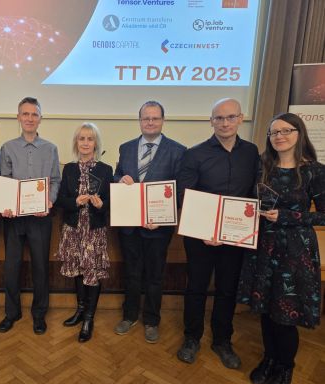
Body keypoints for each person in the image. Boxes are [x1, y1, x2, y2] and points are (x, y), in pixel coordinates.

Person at [237, 113, 324, 384]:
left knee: (286, 312)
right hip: (263, 247)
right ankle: (269, 358)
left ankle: (286, 366)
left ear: (299, 133)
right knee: (265, 308)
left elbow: (323, 215)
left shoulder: (315, 171)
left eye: (286, 131)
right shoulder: (263, 167)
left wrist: (287, 216)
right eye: (274, 132)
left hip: (295, 252)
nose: (279, 136)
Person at [176, 98, 259, 369]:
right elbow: (185, 195)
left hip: (235, 236)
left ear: (240, 118)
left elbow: (253, 194)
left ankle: (222, 340)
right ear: (211, 121)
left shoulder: (252, 153)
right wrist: (205, 230)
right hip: (201, 237)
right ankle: (192, 338)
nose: (225, 123)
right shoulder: (194, 154)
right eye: (219, 118)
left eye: (231, 117)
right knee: (196, 288)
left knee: (227, 289)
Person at [114, 100, 186, 344]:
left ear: (163, 120)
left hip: (158, 228)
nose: (150, 122)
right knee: (131, 273)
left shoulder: (178, 151)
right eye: (146, 118)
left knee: (155, 275)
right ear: (140, 120)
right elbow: (117, 175)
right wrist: (119, 179)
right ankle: (129, 316)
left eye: (155, 118)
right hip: (129, 225)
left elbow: (180, 190)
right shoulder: (125, 148)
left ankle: (152, 320)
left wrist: (163, 218)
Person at [0, 97, 61, 335]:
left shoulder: (51, 148)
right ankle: (11, 313)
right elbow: (4, 181)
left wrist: (49, 201)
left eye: (34, 114)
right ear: (18, 117)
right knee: (11, 267)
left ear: (40, 118)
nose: (30, 118)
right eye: (25, 114)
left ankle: (39, 314)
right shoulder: (7, 148)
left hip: (40, 218)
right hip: (14, 219)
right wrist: (5, 204)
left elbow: (55, 180)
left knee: (40, 267)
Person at [56, 122, 113, 342]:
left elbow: (112, 202)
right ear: (76, 143)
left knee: (92, 273)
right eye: (82, 138)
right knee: (78, 271)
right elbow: (61, 200)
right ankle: (80, 310)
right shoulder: (69, 169)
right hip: (73, 230)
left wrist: (101, 205)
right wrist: (75, 202)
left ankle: (89, 318)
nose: (86, 143)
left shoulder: (105, 170)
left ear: (96, 143)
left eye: (90, 139)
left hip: (94, 231)